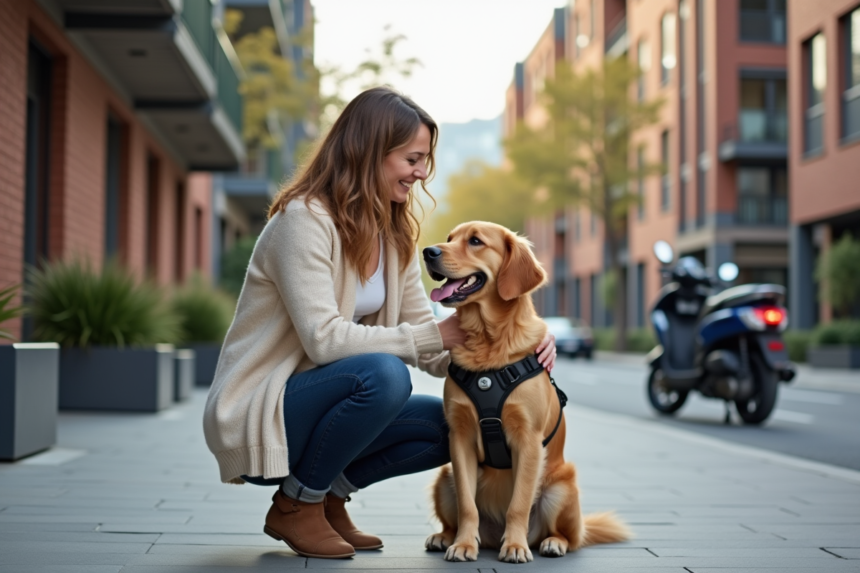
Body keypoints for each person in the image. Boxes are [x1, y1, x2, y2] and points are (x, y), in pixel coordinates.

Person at [203, 87, 557, 560]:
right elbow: (324, 339)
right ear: (370, 151)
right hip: (263, 408)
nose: (421, 172)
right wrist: (435, 335)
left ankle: (326, 497)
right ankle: (295, 504)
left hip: (323, 406)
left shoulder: (393, 238)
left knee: (444, 426)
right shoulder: (303, 220)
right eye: (412, 158)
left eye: (426, 160)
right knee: (384, 377)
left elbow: (431, 349)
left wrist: (521, 347)